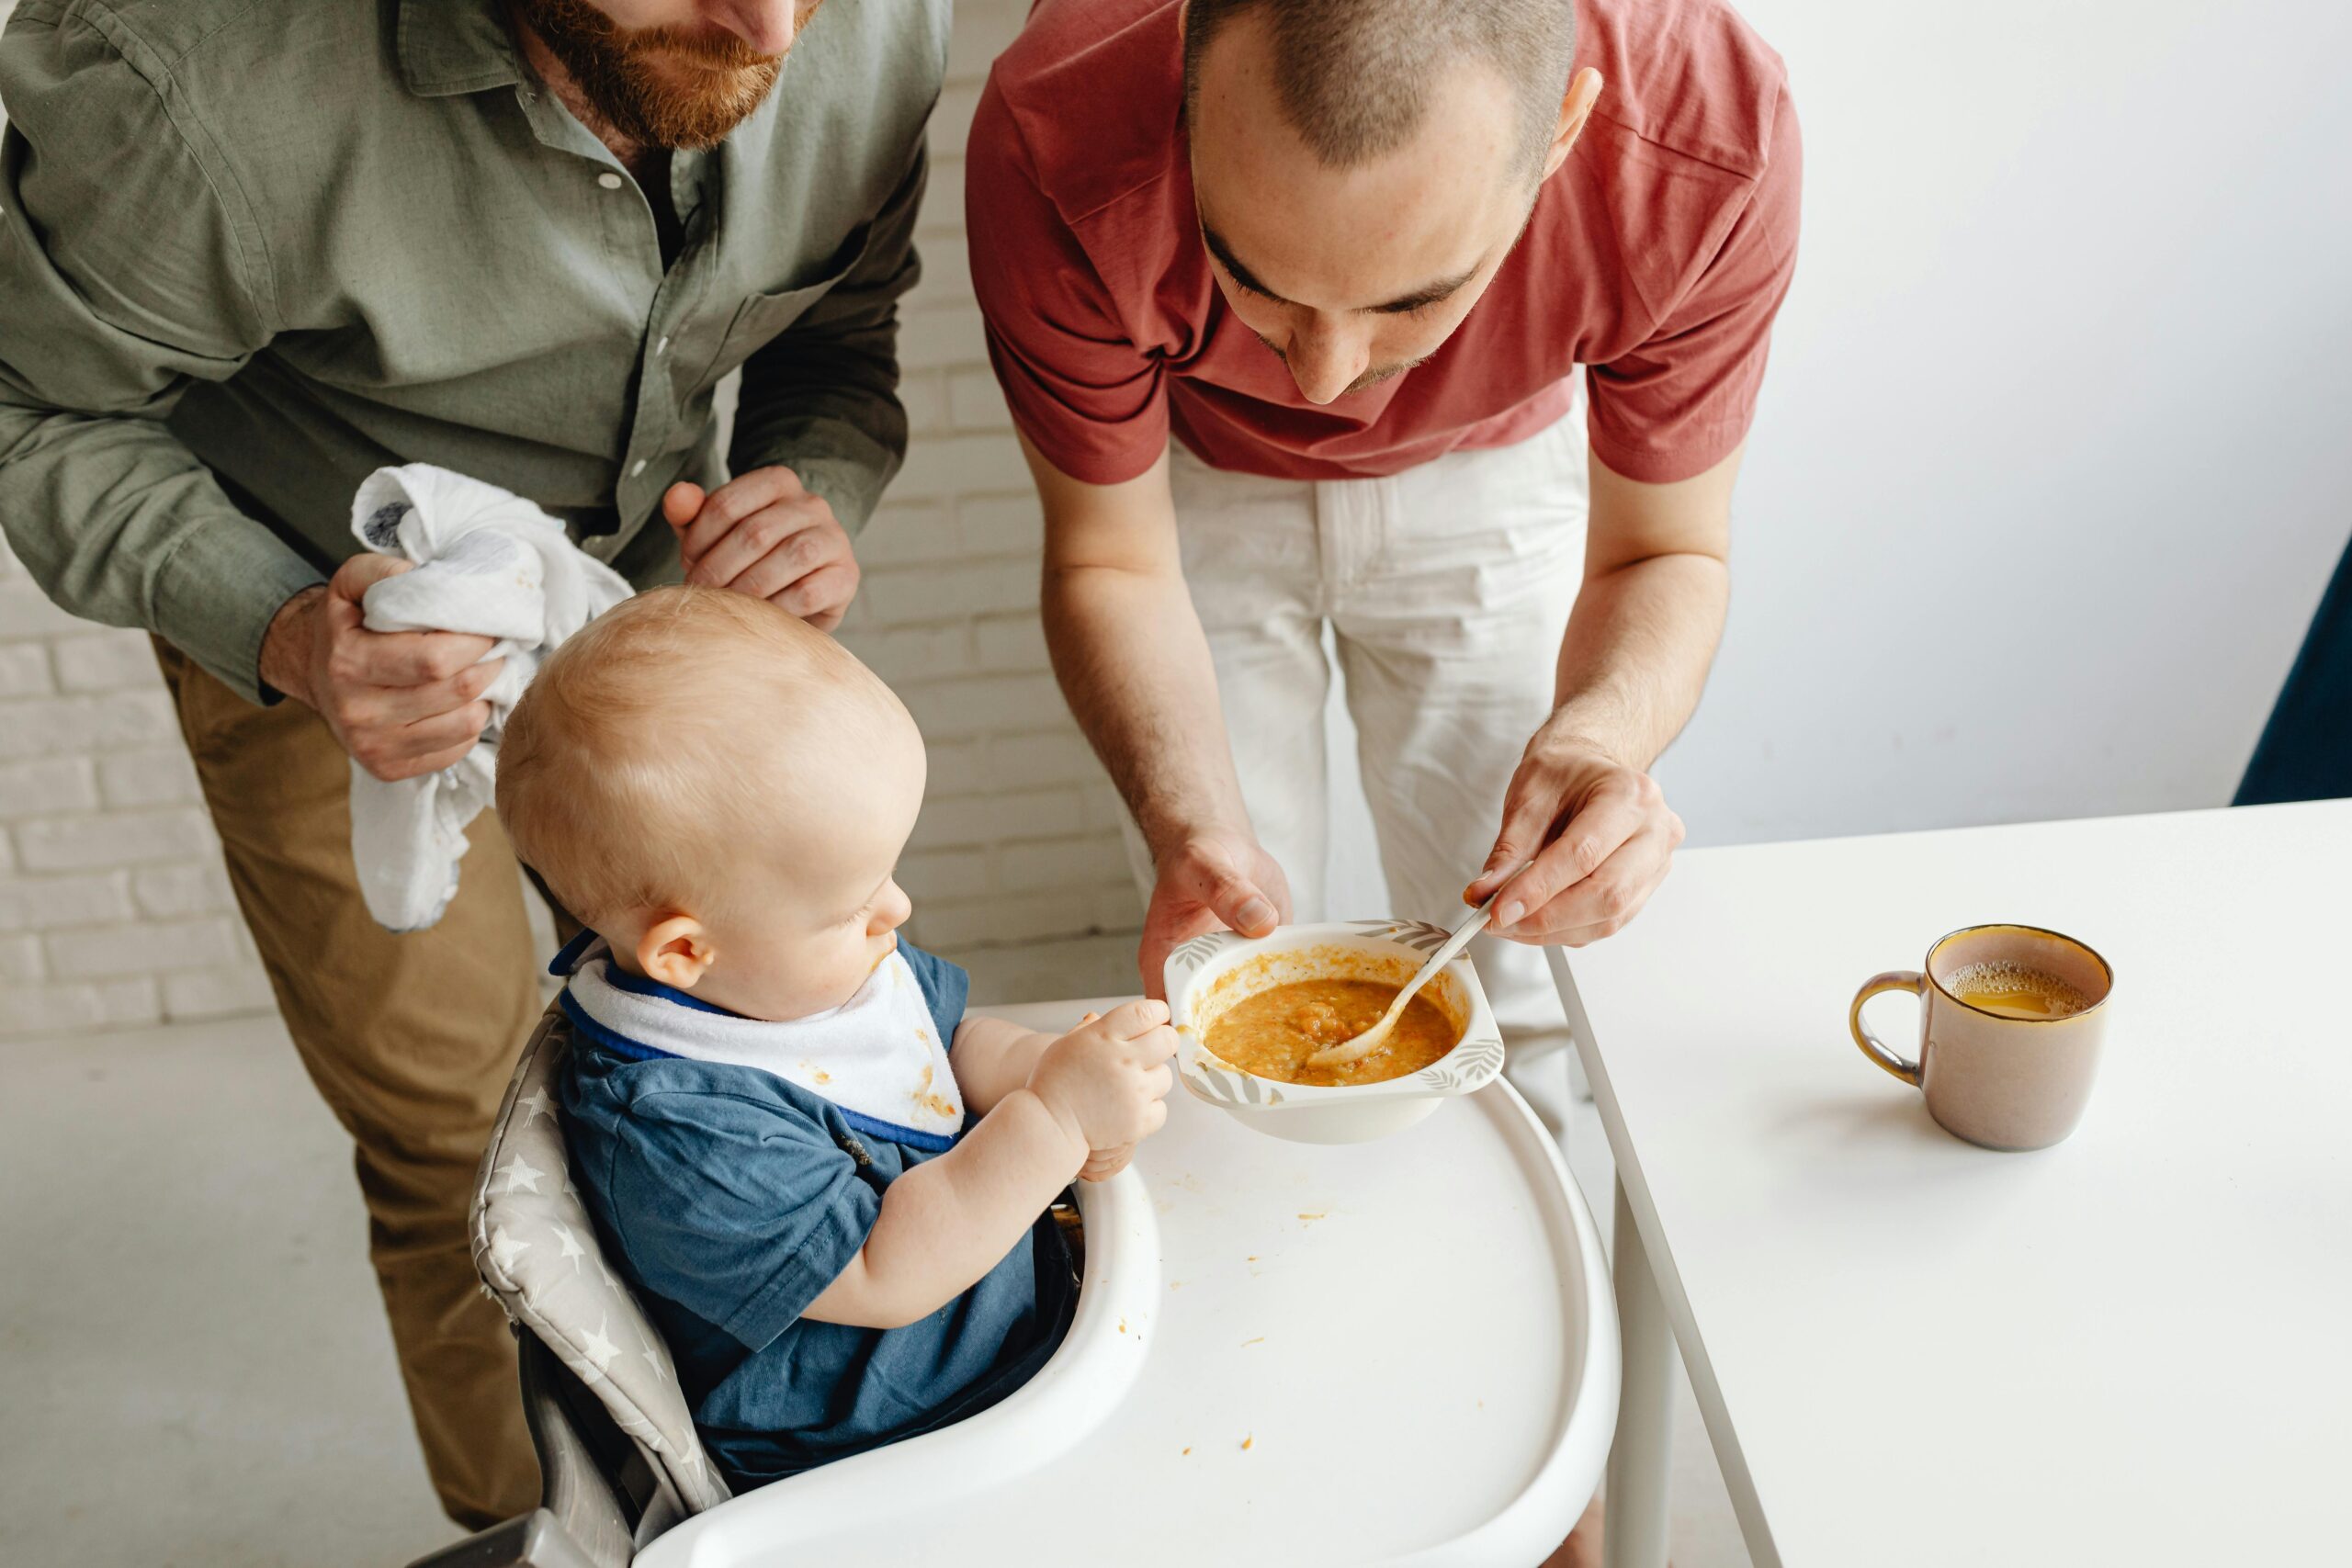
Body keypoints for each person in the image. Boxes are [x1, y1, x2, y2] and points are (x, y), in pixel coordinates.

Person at [0, 0, 942, 1525]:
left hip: (671, 622)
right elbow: (27, 402)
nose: (773, 26)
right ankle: (546, 1532)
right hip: (330, 648)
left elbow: (839, 339)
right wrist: (288, 628)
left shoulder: (869, 21)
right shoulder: (185, 76)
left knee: (786, 1035)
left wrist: (809, 484)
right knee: (464, 1150)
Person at [967, 0, 1800, 1123]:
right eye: (1251, 275)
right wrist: (1189, 825)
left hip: (1495, 473)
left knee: (1524, 981)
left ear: (1560, 134)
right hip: (1190, 486)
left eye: (1412, 300)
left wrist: (1605, 735)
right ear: (1185, 97)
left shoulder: (1702, 140)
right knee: (1224, 945)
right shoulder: (1053, 127)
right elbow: (1110, 558)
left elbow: (1667, 545)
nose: (1322, 381)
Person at [498, 584, 1177, 1487]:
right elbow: (885, 1270)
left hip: (1009, 1309)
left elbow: (942, 1047)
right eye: (854, 903)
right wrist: (1053, 1122)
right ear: (686, 950)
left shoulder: (776, 961)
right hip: (904, 1427)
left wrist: (1048, 1067)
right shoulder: (677, 1128)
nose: (897, 908)